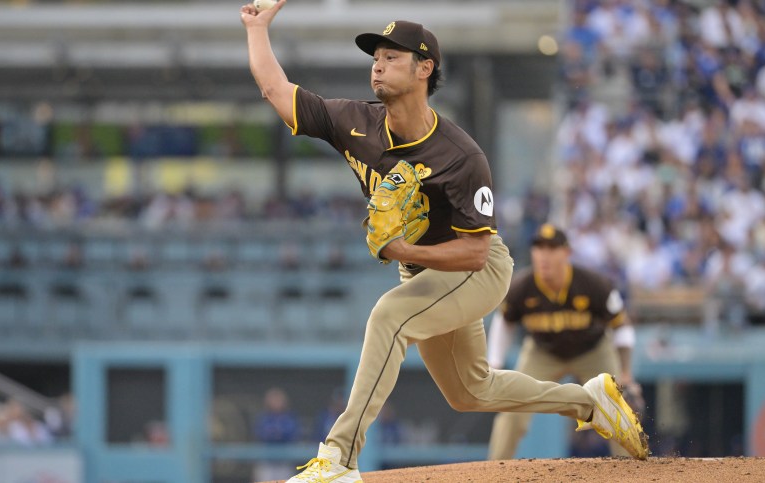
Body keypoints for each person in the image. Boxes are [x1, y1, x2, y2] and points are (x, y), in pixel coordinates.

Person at [239, 4, 648, 482]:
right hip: (424, 275)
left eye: (392, 56)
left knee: (389, 317)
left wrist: (403, 251)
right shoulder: (352, 122)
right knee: (471, 391)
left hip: (476, 268)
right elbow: (275, 89)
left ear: (424, 68)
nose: (377, 64)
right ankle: (588, 401)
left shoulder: (460, 155)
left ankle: (339, 457)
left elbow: (475, 252)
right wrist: (257, 28)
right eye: (376, 56)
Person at [486, 224, 643, 460]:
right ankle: (492, 472)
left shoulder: (593, 284)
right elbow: (504, 321)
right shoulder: (522, 286)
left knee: (617, 408)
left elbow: (621, 327)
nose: (544, 255)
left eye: (552, 248)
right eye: (539, 248)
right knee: (512, 409)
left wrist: (626, 372)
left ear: (566, 253)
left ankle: (634, 473)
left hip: (592, 351)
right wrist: (495, 363)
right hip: (543, 352)